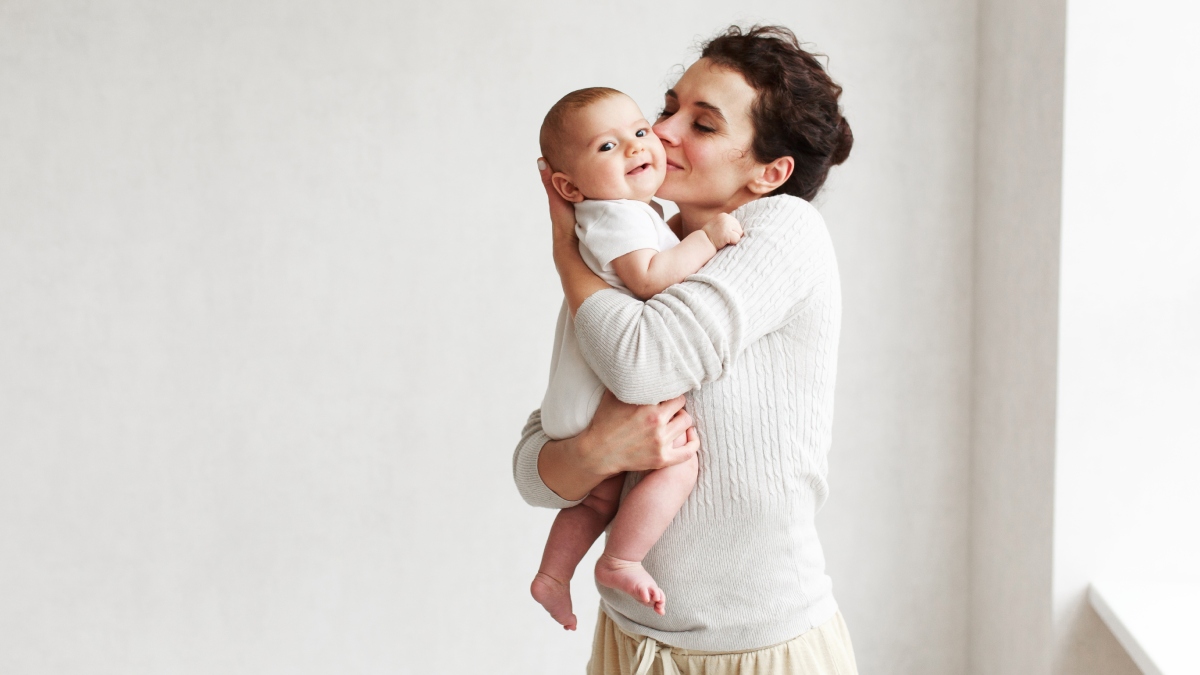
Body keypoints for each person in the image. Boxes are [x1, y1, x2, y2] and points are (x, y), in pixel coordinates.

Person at [513, 25, 858, 674]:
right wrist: (594, 452)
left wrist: (566, 255)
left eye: (702, 124)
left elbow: (643, 364)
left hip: (757, 649)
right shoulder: (637, 250)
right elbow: (535, 465)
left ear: (770, 171)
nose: (662, 130)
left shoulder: (784, 230)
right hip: (632, 641)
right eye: (669, 107)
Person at [531, 86, 745, 631]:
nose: (637, 146)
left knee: (597, 498)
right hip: (604, 398)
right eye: (607, 146)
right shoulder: (617, 216)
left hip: (579, 406)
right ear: (567, 186)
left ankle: (554, 575)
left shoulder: (625, 215)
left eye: (639, 131)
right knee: (682, 462)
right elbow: (650, 281)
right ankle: (621, 558)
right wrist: (711, 239)